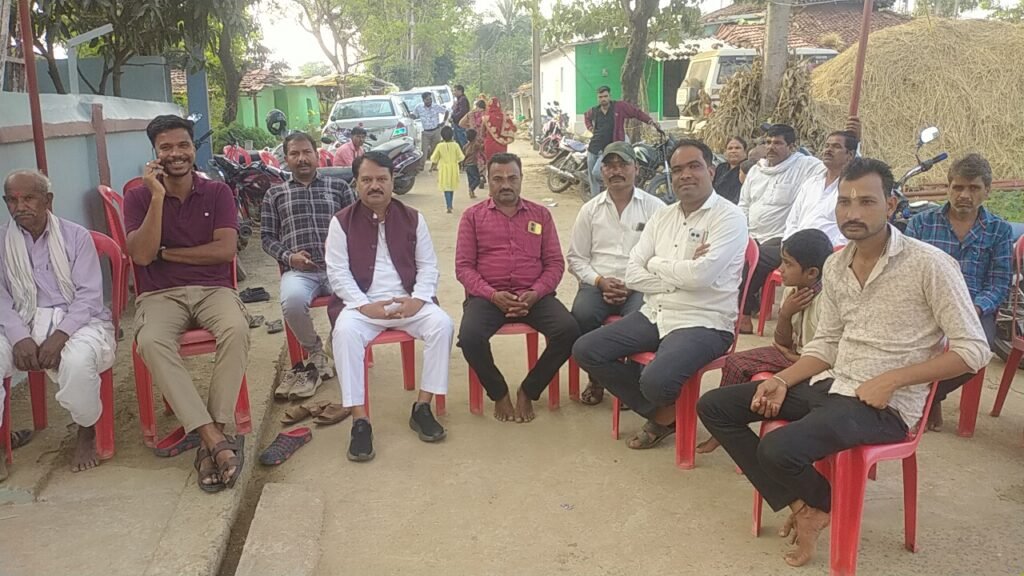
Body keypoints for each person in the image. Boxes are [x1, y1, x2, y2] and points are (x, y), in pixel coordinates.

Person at [697, 158, 991, 568]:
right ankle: (808, 505)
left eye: (866, 202)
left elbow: (974, 350)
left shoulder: (930, 265)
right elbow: (828, 343)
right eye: (844, 202)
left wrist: (893, 380)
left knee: (777, 448)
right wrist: (783, 380)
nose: (853, 212)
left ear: (890, 205)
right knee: (715, 406)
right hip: (833, 384)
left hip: (884, 407)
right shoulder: (835, 265)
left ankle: (818, 505)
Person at [573, 139, 748, 449]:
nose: (685, 175)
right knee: (586, 349)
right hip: (655, 312)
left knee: (656, 380)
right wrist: (681, 275)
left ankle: (661, 411)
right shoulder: (663, 216)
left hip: (703, 321)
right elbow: (633, 273)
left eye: (694, 166)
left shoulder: (729, 218)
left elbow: (701, 276)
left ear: (711, 170)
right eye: (677, 169)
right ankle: (664, 414)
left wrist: (655, 264)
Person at [125, 114, 248, 493]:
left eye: (183, 145)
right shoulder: (138, 196)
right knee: (150, 341)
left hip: (213, 290)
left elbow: (224, 251)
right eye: (166, 147)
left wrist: (168, 254)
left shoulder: (217, 192)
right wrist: (157, 197)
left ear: (194, 148)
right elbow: (141, 256)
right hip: (159, 295)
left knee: (236, 328)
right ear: (155, 153)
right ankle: (214, 439)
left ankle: (214, 434)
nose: (176, 153)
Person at [325, 151, 453, 462]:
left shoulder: (413, 218)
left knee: (442, 324)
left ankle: (422, 406)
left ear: (393, 181)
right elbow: (337, 273)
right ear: (356, 183)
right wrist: (364, 306)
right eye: (367, 179)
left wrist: (417, 300)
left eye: (382, 179)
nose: (375, 186)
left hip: (408, 301)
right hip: (363, 306)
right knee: (345, 333)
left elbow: (428, 267)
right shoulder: (341, 222)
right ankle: (360, 420)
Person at [0, 170, 116, 478]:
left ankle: (86, 429)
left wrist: (60, 335)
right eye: (12, 200)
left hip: (76, 321)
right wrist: (19, 336)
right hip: (18, 320)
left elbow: (89, 296)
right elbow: (1, 299)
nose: (20, 206)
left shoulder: (76, 236)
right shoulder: (1, 241)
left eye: (28, 198)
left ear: (48, 200)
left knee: (78, 361)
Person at [455, 153, 580, 423]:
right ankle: (499, 392)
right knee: (470, 337)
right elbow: (463, 267)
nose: (505, 184)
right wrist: (492, 295)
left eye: (512, 178)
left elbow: (555, 263)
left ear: (521, 179)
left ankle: (529, 390)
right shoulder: (472, 217)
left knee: (569, 330)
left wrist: (536, 292)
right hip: (488, 297)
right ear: (488, 181)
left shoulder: (541, 215)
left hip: (533, 296)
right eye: (498, 179)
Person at [696, 228, 833, 454]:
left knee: (751, 374)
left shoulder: (828, 301)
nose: (780, 269)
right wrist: (786, 314)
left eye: (788, 264)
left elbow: (829, 356)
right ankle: (722, 427)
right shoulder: (793, 291)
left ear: (811, 273)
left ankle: (729, 428)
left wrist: (794, 358)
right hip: (792, 354)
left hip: (817, 367)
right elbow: (782, 342)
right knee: (735, 362)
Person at [905, 153, 1013, 431]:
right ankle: (923, 397)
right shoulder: (921, 224)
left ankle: (929, 396)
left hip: (973, 308)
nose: (964, 195)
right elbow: (907, 273)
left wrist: (973, 309)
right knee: (899, 341)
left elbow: (999, 283)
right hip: (925, 306)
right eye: (958, 187)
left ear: (987, 191)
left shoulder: (999, 230)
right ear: (948, 187)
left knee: (979, 350)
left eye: (974, 188)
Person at [566, 142, 665, 406]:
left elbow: (661, 258)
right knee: (581, 315)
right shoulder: (590, 210)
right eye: (609, 165)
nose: (616, 171)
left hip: (639, 285)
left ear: (636, 168)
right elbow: (576, 258)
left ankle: (630, 384)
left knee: (642, 321)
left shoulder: (655, 209)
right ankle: (597, 379)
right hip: (597, 283)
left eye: (623, 164)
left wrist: (632, 284)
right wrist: (599, 281)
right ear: (602, 171)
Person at [262, 131, 357, 400]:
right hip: (299, 271)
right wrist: (289, 257)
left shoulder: (339, 188)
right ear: (286, 158)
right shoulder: (275, 194)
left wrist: (345, 258)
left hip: (338, 268)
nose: (301, 158)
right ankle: (315, 351)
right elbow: (267, 237)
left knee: (358, 298)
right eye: (294, 154)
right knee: (292, 302)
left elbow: (356, 227)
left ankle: (336, 343)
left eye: (306, 152)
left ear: (317, 155)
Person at [738, 124, 826, 334]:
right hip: (751, 235)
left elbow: (839, 166)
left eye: (778, 143)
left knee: (756, 260)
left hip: (781, 237)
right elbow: (744, 205)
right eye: (768, 142)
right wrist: (742, 233)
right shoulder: (756, 171)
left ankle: (744, 316)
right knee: (729, 254)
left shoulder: (804, 166)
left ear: (792, 147)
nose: (771, 147)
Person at [583, 86, 664, 198]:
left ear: (609, 96)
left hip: (609, 149)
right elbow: (586, 116)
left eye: (605, 96)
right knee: (593, 180)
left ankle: (615, 192)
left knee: (597, 173)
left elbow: (636, 112)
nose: (603, 99)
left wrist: (650, 121)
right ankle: (595, 200)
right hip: (593, 148)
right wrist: (590, 128)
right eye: (600, 97)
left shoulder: (619, 107)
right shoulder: (595, 110)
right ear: (598, 98)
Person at [782, 131, 858, 247]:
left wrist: (830, 250)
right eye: (827, 146)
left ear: (850, 155)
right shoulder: (811, 183)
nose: (828, 150)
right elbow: (793, 221)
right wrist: (788, 245)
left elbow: (851, 231)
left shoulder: (853, 189)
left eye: (836, 146)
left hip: (830, 251)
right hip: (796, 248)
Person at [430, 126, 465, 214]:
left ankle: (448, 205)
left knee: (446, 188)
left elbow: (434, 158)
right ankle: (450, 204)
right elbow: (461, 157)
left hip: (443, 169)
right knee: (451, 187)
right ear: (452, 135)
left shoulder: (439, 146)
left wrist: (434, 165)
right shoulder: (456, 145)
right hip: (454, 168)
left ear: (442, 136)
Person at [411, 92, 449, 171]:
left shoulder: (435, 106)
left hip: (436, 131)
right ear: (423, 100)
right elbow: (414, 115)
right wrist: (409, 116)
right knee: (424, 150)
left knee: (435, 149)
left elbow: (446, 111)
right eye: (427, 99)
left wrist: (444, 121)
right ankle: (421, 166)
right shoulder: (419, 107)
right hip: (426, 132)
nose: (429, 101)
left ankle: (434, 165)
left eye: (430, 99)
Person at [480, 97, 516, 166]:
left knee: (490, 163)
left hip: (489, 144)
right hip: (502, 144)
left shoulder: (486, 118)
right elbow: (514, 128)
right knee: (501, 163)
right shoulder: (505, 117)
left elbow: (482, 132)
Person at [714, 136, 748, 204]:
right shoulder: (721, 167)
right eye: (730, 148)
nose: (733, 151)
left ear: (745, 151)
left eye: (737, 148)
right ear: (725, 152)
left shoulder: (748, 168)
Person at [462, 128, 483, 200]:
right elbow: (482, 147)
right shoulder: (475, 145)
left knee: (470, 179)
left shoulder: (465, 146)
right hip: (473, 164)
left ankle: (471, 192)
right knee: (477, 179)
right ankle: (471, 189)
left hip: (466, 165)